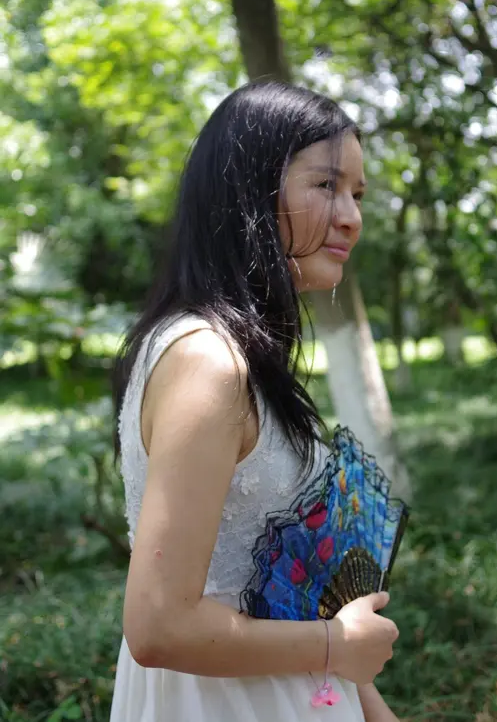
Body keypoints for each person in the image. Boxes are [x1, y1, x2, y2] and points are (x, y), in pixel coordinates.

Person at [110, 81, 401, 722]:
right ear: (249, 190)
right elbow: (157, 625)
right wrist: (335, 644)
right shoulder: (205, 361)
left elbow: (294, 600)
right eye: (326, 185)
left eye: (357, 194)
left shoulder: (246, 358)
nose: (351, 216)